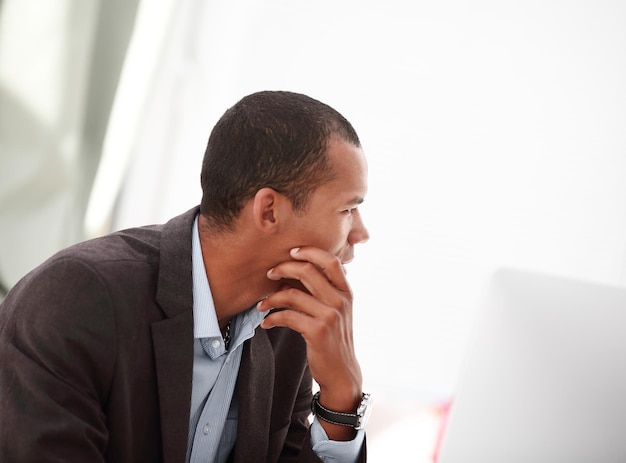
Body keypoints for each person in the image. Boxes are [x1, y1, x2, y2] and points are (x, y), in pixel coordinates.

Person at [0, 90, 372, 462]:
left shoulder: (288, 329)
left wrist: (341, 397)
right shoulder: (78, 297)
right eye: (348, 209)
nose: (361, 233)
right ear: (269, 211)